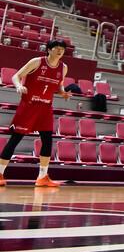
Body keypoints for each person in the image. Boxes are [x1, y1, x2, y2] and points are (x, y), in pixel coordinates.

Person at [0, 39, 71, 187]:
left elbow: (60, 85)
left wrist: (63, 93)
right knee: (15, 139)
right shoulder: (37, 62)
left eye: (62, 49)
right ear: (49, 49)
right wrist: (18, 86)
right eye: (57, 48)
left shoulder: (63, 67)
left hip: (46, 108)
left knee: (47, 141)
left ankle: (42, 177)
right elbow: (16, 76)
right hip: (29, 105)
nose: (60, 51)